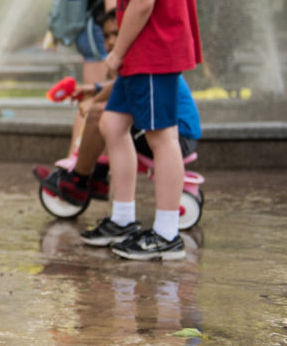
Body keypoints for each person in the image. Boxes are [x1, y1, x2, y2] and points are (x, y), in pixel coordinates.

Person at [82, 0, 203, 260]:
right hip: (147, 56)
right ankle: (124, 217)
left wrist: (115, 54)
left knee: (162, 136)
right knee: (113, 127)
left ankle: (166, 233)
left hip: (151, 53)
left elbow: (144, 1)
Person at [34, 11, 201, 208]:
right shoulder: (138, 60)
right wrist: (94, 89)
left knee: (101, 115)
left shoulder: (141, 61)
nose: (111, 41)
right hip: (175, 132)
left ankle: (78, 181)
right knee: (109, 118)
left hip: (177, 137)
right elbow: (121, 84)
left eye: (116, 34)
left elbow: (123, 91)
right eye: (106, 36)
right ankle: (97, 177)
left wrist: (94, 100)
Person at [68, 0, 134, 156]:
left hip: (92, 36)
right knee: (91, 100)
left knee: (100, 95)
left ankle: (91, 158)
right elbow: (112, 11)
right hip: (99, 37)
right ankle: (75, 157)